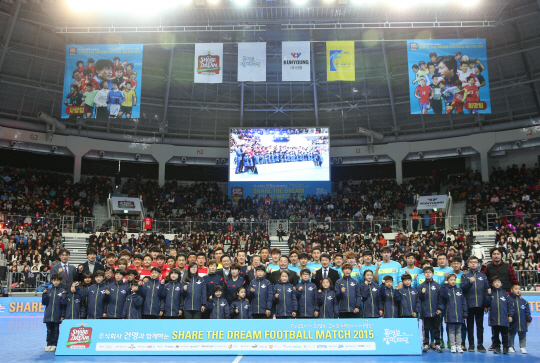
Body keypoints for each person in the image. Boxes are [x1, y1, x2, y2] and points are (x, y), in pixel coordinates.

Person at [461, 255, 488, 352]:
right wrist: (469, 283)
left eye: (475, 262)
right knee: (470, 326)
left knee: (480, 326)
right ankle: (471, 345)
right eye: (471, 262)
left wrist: (486, 304)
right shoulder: (465, 276)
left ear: (478, 264)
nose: (473, 264)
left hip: (480, 305)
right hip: (469, 305)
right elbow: (463, 289)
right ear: (468, 263)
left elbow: (486, 291)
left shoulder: (483, 276)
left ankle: (480, 345)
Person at [439, 274, 468, 353]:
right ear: (447, 281)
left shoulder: (459, 291)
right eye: (451, 280)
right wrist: (445, 286)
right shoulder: (445, 290)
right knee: (451, 331)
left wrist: (465, 313)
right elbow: (443, 296)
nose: (453, 281)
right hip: (450, 314)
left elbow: (463, 303)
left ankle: (458, 345)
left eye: (454, 280)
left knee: (459, 331)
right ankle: (452, 346)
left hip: (459, 314)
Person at [485, 277, 514, 354]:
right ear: (492, 284)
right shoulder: (491, 294)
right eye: (495, 282)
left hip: (504, 318)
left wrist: (510, 315)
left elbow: (510, 306)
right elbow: (486, 303)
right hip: (494, 318)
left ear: (501, 284)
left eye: (498, 282)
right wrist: (488, 295)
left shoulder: (506, 295)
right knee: (495, 335)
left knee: (505, 334)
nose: (497, 283)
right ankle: (497, 347)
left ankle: (505, 347)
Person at [419, 266, 443, 353]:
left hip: (436, 311)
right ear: (424, 274)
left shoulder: (437, 286)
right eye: (426, 272)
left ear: (433, 274)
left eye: (429, 272)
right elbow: (419, 298)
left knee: (436, 328)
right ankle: (425, 343)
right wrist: (422, 294)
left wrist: (440, 308)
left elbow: (440, 298)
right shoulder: (421, 286)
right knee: (425, 328)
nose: (428, 274)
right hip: (425, 312)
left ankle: (438, 344)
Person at [508, 283, 532, 354]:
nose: (518, 291)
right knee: (511, 334)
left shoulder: (524, 302)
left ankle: (522, 347)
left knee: (523, 335)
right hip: (512, 322)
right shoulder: (509, 300)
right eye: (516, 289)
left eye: (519, 289)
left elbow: (527, 312)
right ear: (511, 290)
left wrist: (528, 320)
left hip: (522, 322)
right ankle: (511, 346)